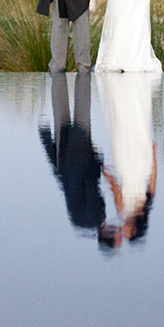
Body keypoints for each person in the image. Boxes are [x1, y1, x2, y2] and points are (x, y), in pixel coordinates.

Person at [96, 72, 159, 251]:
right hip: (133, 166)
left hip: (137, 166)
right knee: (127, 129)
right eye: (127, 231)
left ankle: (129, 94)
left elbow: (116, 187)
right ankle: (128, 95)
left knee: (130, 129)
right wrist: (104, 169)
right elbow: (114, 185)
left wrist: (153, 157)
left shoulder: (131, 209)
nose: (123, 230)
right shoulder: (134, 207)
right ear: (135, 227)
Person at [38, 71, 105, 236]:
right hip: (64, 157)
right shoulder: (77, 222)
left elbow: (91, 184)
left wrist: (98, 161)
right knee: (60, 110)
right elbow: (60, 178)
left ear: (109, 234)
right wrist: (45, 137)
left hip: (81, 151)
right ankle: (61, 82)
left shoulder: (97, 216)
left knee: (82, 107)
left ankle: (79, 79)